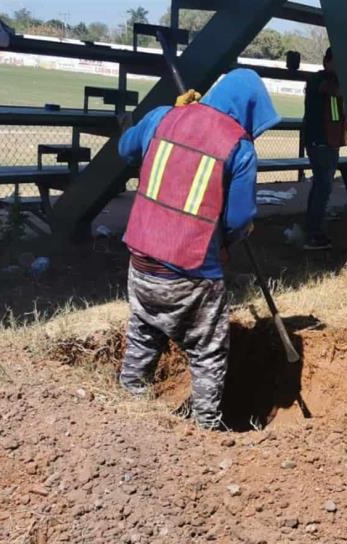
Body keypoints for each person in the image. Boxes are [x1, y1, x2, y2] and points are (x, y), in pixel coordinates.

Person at [117, 69, 281, 429]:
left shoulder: (163, 117)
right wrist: (225, 243)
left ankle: (127, 403)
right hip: (192, 271)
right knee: (207, 351)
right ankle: (205, 428)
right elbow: (239, 219)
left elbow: (124, 147)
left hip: (142, 261)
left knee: (144, 332)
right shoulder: (239, 147)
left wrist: (167, 115)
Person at [301, 47, 347, 250]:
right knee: (323, 187)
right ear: (327, 61)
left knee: (321, 187)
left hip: (329, 142)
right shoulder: (317, 80)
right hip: (320, 142)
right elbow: (333, 91)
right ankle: (314, 233)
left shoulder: (334, 82)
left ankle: (313, 227)